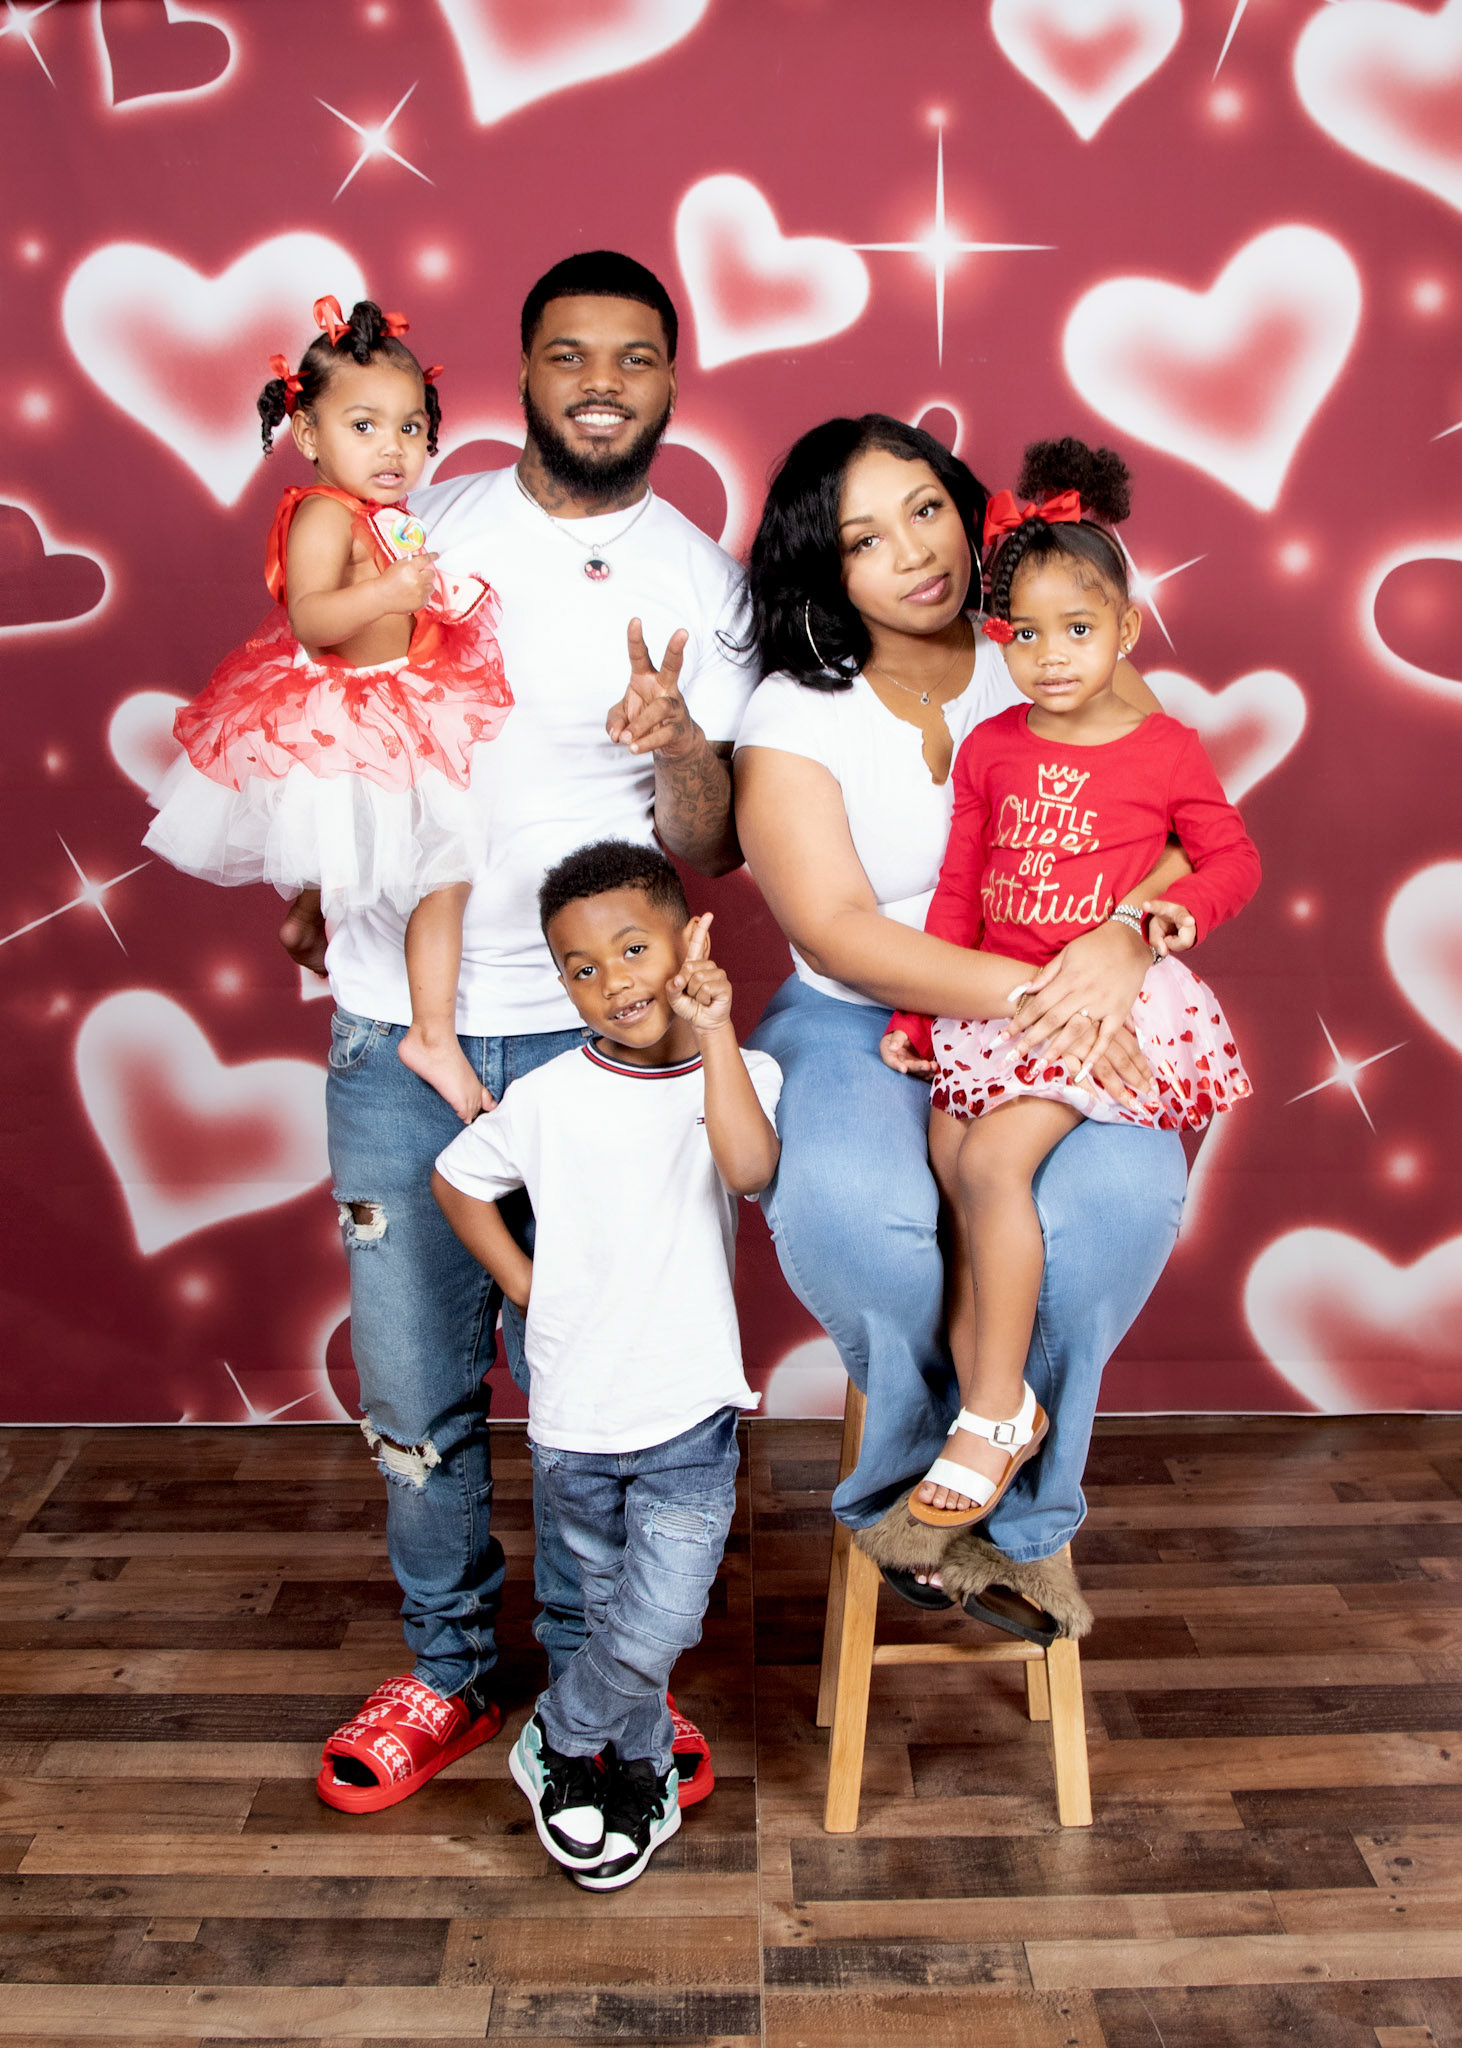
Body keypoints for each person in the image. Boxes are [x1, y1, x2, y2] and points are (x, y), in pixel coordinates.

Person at [282, 253, 752, 1813]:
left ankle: (600, 1691)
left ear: (671, 380)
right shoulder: (425, 519)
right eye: (568, 354)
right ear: (522, 372)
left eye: (633, 356)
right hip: (394, 1023)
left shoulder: (704, 582)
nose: (601, 382)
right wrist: (311, 882)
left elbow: (714, 843)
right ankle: (448, 1668)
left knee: (600, 1383)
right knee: (416, 1393)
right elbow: (328, 703)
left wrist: (676, 742)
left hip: (597, 1046)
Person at [733, 414, 1192, 1631]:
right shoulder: (792, 712)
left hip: (1070, 1005)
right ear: (824, 567)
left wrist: (1121, 936)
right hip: (859, 1019)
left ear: (967, 506)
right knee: (862, 1215)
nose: (913, 554)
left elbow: (1182, 830)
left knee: (1109, 1207)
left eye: (926, 509)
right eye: (863, 539)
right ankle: (929, 1490)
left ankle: (1009, 1517)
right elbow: (837, 929)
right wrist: (1032, 995)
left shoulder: (1050, 641)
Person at [881, 437, 1259, 1529]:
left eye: (1079, 630)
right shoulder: (992, 747)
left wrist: (1167, 915)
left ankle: (994, 1410)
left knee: (995, 1159)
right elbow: (960, 892)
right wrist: (919, 1011)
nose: (1050, 657)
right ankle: (988, 1396)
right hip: (1001, 998)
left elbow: (1231, 856)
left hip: (1092, 1005)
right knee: (952, 1165)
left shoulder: (1164, 746)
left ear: (1126, 631)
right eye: (1025, 633)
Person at [433, 840, 780, 1889]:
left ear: (688, 939)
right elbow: (457, 1179)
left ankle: (559, 1732)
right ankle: (629, 1771)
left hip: (689, 1413)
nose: (612, 981)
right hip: (574, 1419)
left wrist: (714, 1030)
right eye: (580, 968)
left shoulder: (742, 1070)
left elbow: (749, 1167)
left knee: (664, 1612)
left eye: (633, 949)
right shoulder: (548, 1095)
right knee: (601, 1610)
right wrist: (525, 1284)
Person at [144, 296, 513, 1123]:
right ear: (309, 435)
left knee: (360, 848)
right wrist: (387, 592)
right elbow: (310, 617)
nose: (393, 447)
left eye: (411, 428)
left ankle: (307, 922)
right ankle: (431, 1035)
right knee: (443, 870)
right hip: (353, 711)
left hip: (396, 696)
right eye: (364, 426)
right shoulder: (321, 513)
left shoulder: (382, 516)